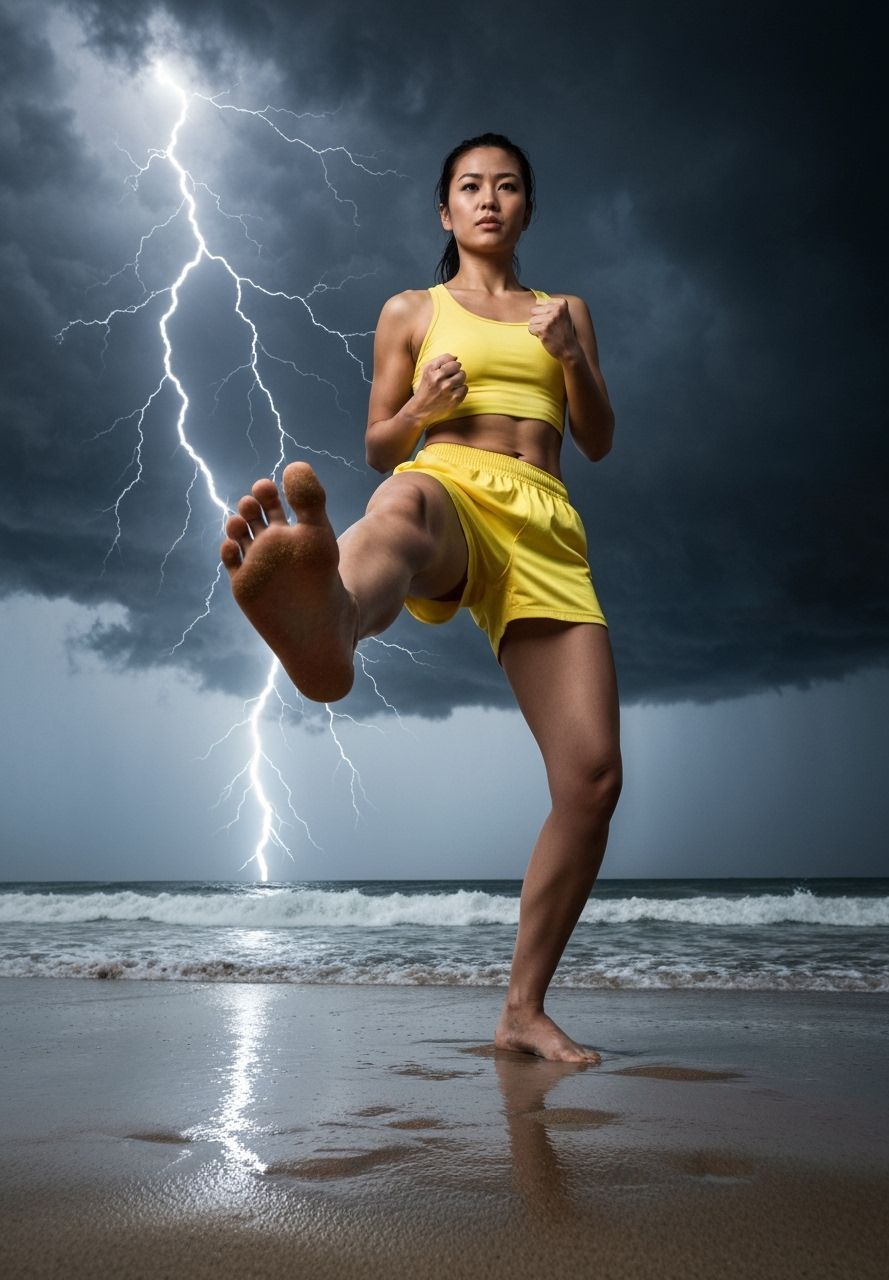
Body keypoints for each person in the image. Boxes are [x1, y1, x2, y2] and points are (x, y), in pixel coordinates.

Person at [220, 132, 621, 1064]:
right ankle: (331, 619)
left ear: (528, 206)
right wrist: (421, 415)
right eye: (470, 187)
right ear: (446, 211)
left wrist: (575, 359)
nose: (489, 199)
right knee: (398, 502)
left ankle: (523, 1009)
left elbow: (596, 439)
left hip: (548, 526)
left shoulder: (567, 311)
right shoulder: (412, 310)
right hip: (453, 487)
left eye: (508, 186)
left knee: (593, 779)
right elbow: (377, 445)